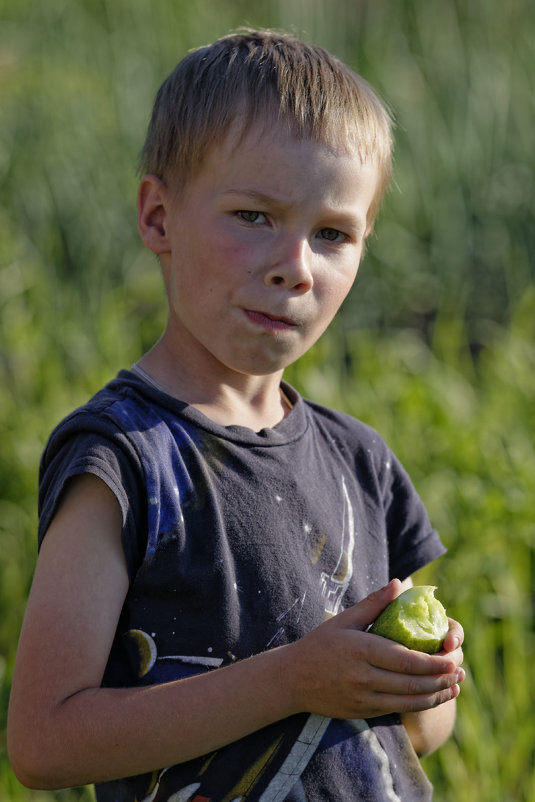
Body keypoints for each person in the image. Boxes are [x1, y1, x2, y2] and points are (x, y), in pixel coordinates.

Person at [7, 29, 464, 801]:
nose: (295, 266)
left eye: (331, 234)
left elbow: (412, 739)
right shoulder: (123, 460)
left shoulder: (361, 460)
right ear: (158, 218)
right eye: (254, 216)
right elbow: (46, 743)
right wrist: (293, 681)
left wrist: (419, 682)